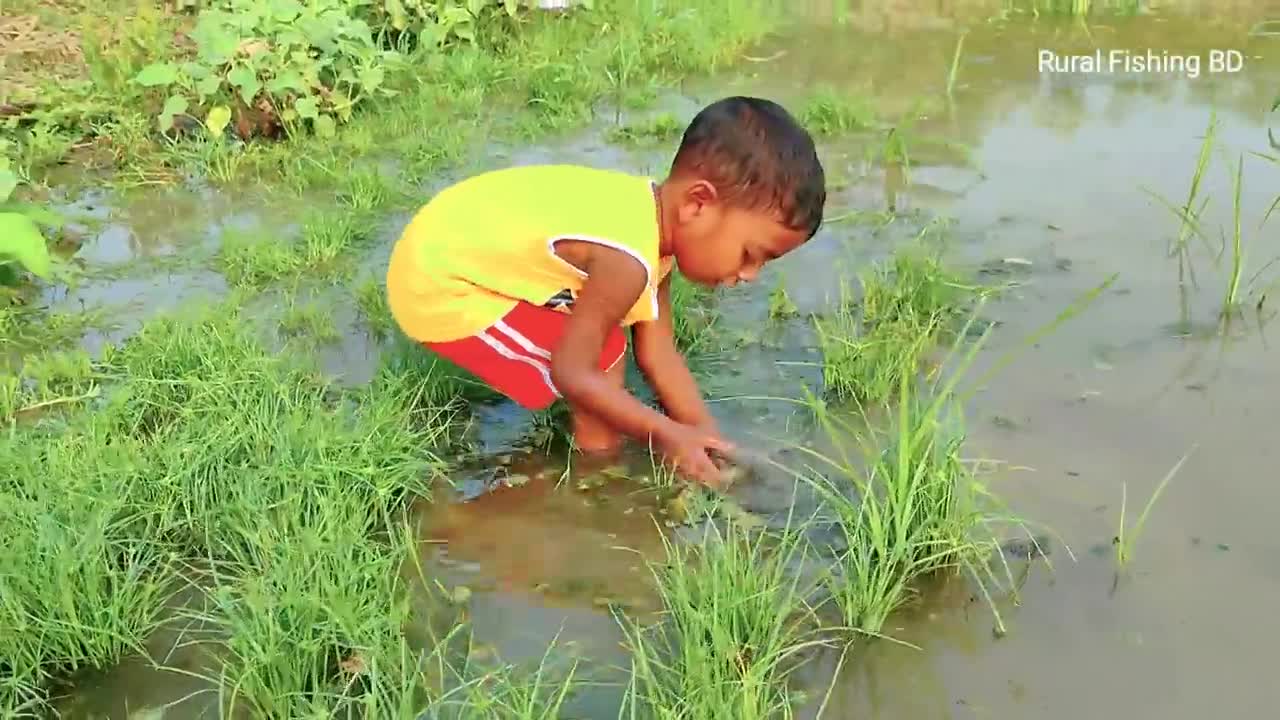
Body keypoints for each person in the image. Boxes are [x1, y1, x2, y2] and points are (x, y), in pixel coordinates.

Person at [385, 96, 826, 487]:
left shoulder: (649, 227)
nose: (750, 275)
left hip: (455, 240)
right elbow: (573, 372)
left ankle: (603, 453)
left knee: (606, 345)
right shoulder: (626, 261)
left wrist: (709, 441)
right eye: (751, 254)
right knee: (600, 356)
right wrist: (666, 434)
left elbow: (659, 354)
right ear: (697, 204)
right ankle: (598, 477)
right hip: (438, 286)